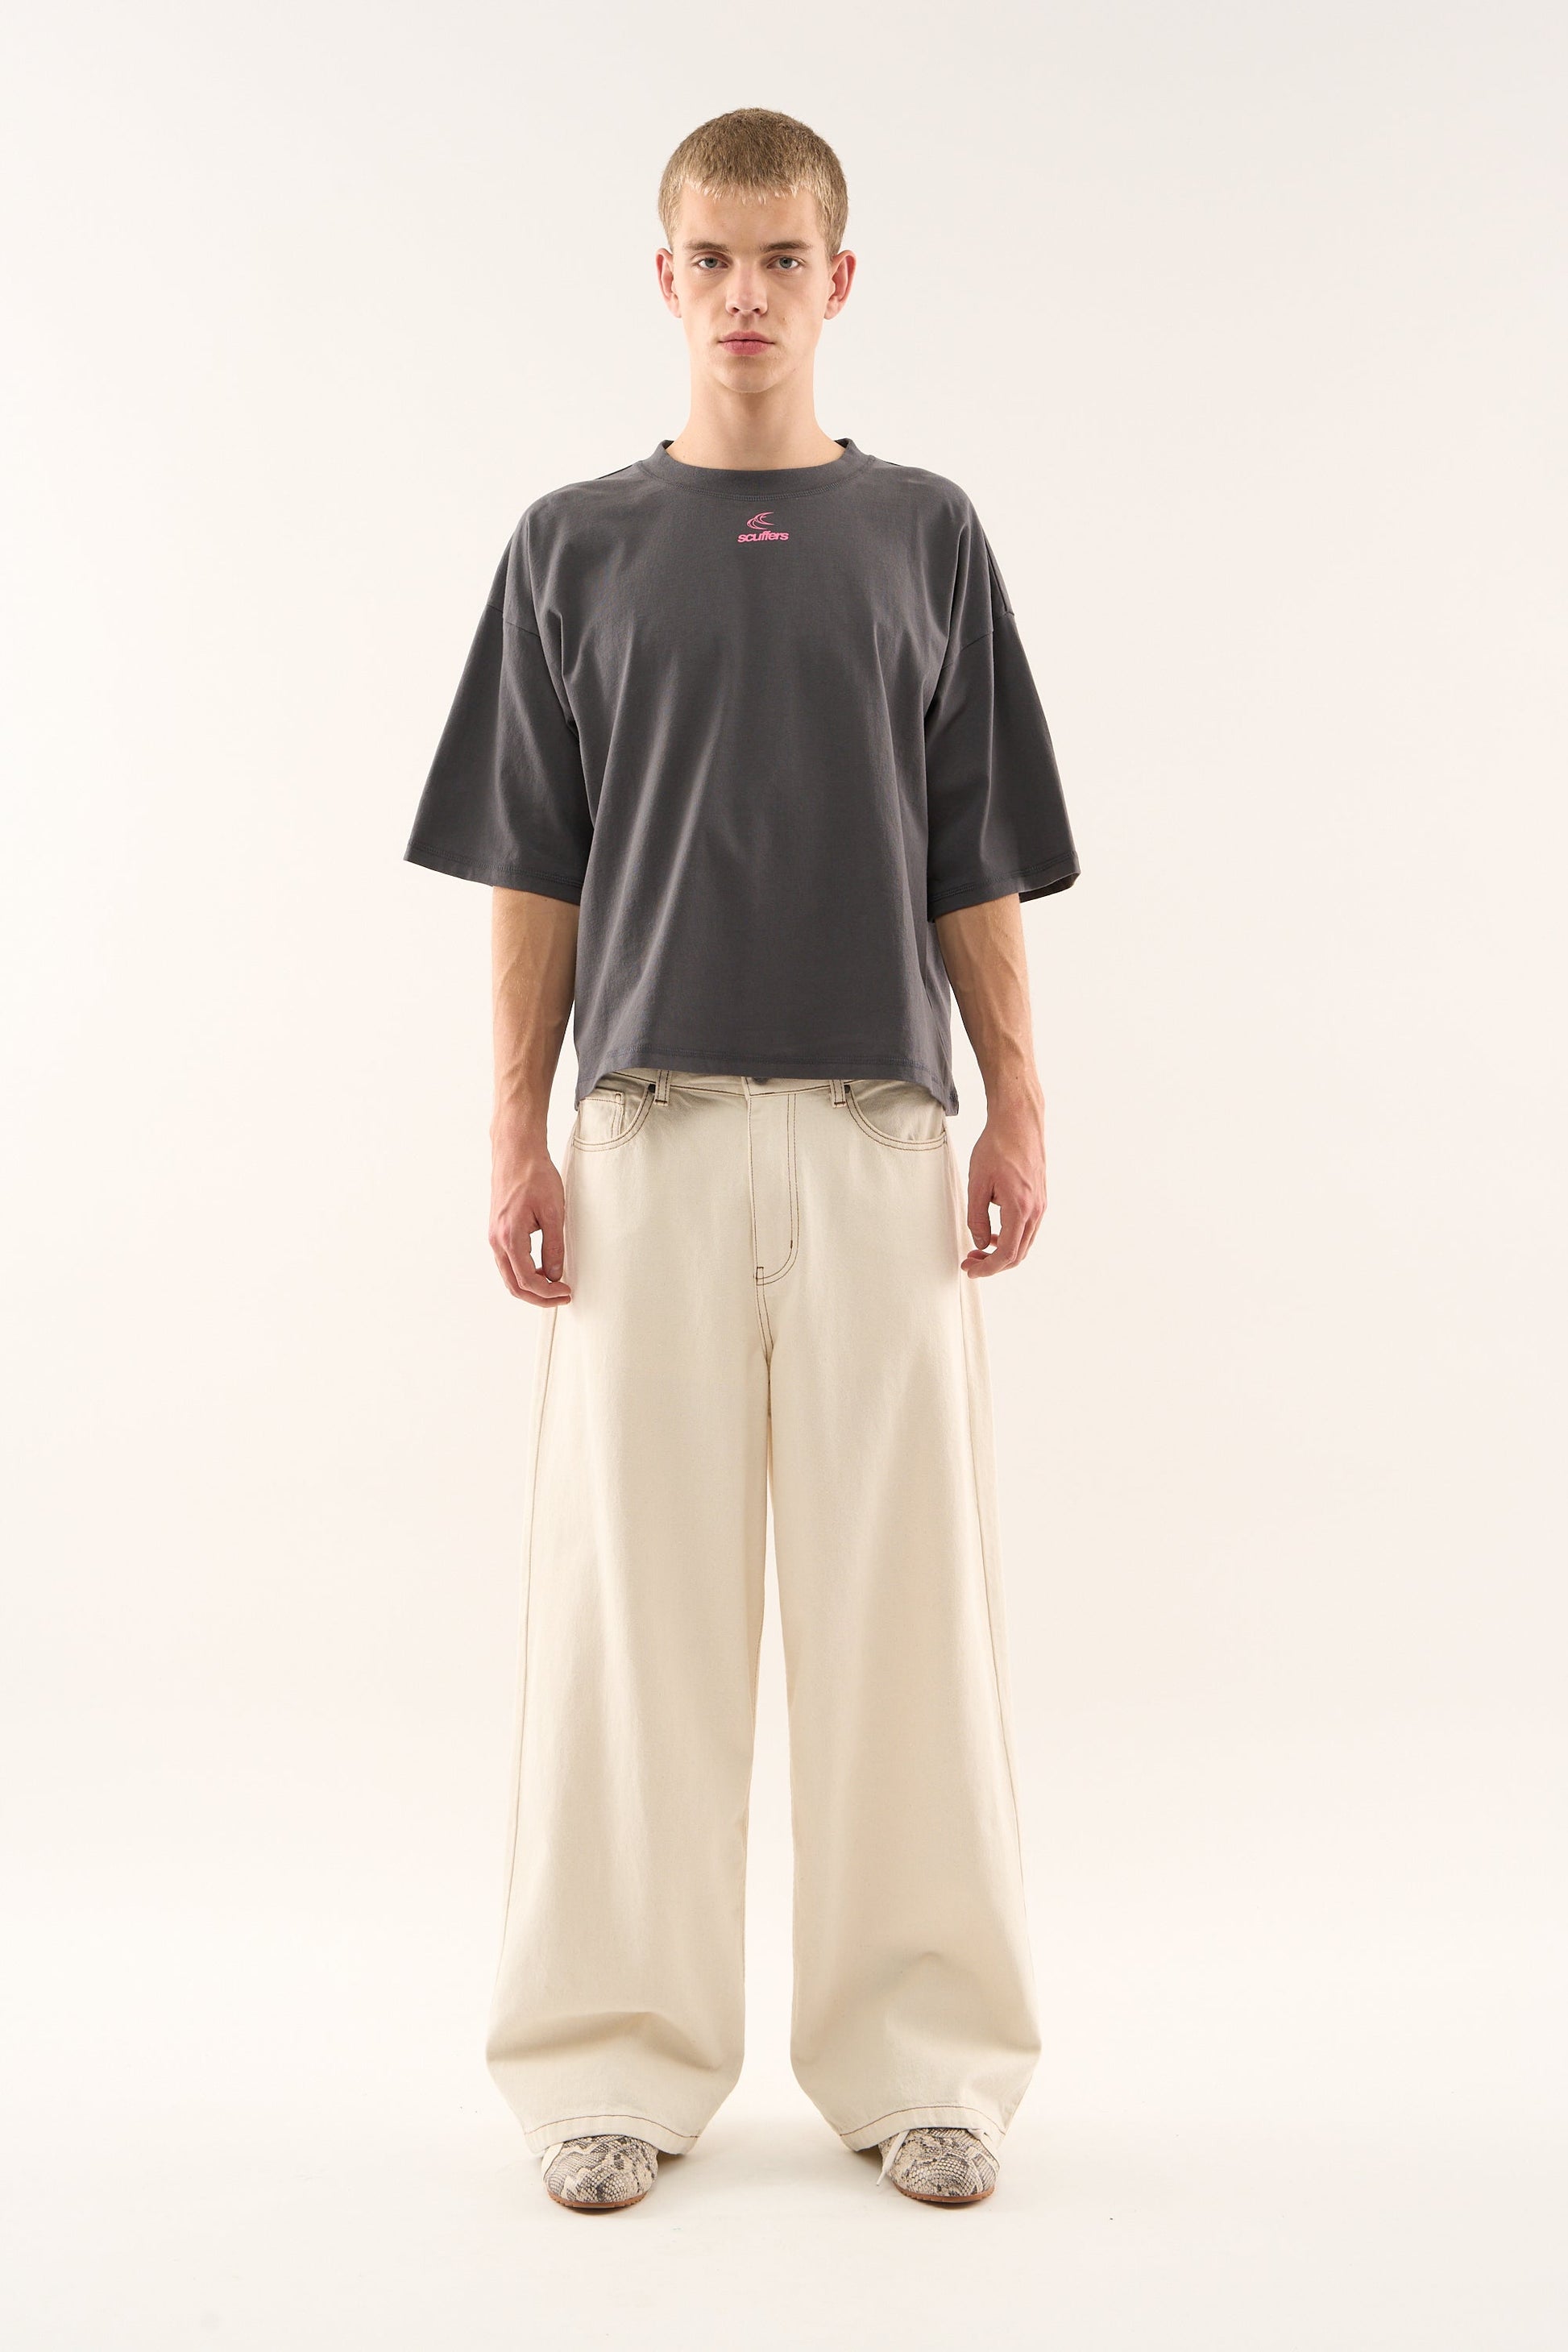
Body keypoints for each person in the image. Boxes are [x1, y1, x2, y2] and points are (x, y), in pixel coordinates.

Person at [404, 106, 1080, 2213]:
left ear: (838, 280)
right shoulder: (572, 547)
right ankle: (608, 2060)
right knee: (632, 1617)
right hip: (651, 1135)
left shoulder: (926, 536)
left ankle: (925, 2061)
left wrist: (1017, 1095)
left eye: (785, 257)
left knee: (906, 1613)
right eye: (713, 256)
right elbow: (532, 869)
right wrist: (513, 1130)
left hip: (880, 1133)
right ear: (666, 278)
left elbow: (976, 851)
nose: (748, 293)